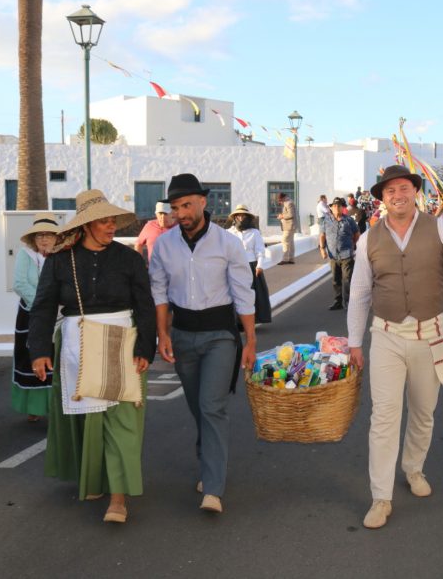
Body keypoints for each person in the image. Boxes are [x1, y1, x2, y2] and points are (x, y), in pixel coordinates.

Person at [346, 164, 443, 530]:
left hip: (432, 336)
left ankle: (413, 468)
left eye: (404, 188)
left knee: (424, 412)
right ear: (381, 198)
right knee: (384, 416)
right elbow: (360, 293)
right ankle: (380, 496)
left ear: (415, 192)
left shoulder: (440, 228)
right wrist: (354, 342)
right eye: (390, 190)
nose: (398, 195)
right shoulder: (368, 239)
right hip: (387, 337)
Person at [28, 191, 156, 523]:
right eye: (104, 220)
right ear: (86, 225)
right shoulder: (60, 260)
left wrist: (145, 348)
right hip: (78, 344)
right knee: (90, 420)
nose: (111, 225)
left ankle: (118, 497)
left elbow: (145, 305)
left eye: (113, 219)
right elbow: (43, 307)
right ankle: (96, 480)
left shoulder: (129, 259)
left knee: (123, 421)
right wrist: (39, 351)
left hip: (123, 343)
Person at [150, 173, 256, 514]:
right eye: (176, 207)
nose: (181, 213)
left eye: (186, 205)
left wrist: (250, 340)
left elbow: (243, 293)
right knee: (198, 408)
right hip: (182, 336)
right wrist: (163, 333)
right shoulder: (164, 245)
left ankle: (213, 487)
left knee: (212, 406)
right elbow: (160, 291)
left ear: (202, 202)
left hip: (220, 336)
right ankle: (209, 458)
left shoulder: (228, 243)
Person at [11, 213, 61, 422]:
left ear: (56, 238)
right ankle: (34, 406)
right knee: (31, 358)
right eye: (39, 235)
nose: (44, 239)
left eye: (49, 235)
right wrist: (43, 307)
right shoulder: (26, 255)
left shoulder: (62, 256)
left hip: (59, 314)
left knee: (56, 358)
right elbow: (20, 284)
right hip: (31, 314)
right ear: (33, 238)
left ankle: (56, 405)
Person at [228, 205, 272, 324]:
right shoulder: (229, 233)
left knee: (252, 296)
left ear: (247, 217)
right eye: (238, 215)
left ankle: (251, 320)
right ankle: (237, 322)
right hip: (235, 267)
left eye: (243, 215)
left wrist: (259, 266)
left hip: (251, 266)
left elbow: (260, 251)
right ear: (235, 217)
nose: (241, 218)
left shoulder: (254, 233)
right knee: (235, 295)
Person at [319, 197, 360, 310]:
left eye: (339, 206)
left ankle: (348, 302)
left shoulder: (349, 220)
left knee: (347, 279)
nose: (337, 208)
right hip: (333, 255)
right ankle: (338, 301)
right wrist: (322, 249)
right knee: (336, 280)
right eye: (334, 206)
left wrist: (352, 245)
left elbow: (357, 234)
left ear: (343, 208)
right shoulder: (326, 220)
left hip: (346, 254)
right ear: (331, 208)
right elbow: (322, 235)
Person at [277, 192, 296, 264]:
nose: (280, 202)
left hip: (289, 226)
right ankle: (291, 259)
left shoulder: (289, 203)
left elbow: (291, 214)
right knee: (290, 242)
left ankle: (285, 259)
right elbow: (289, 213)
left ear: (283, 198)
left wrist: (282, 216)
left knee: (284, 240)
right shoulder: (288, 202)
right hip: (290, 226)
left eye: (280, 200)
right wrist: (282, 215)